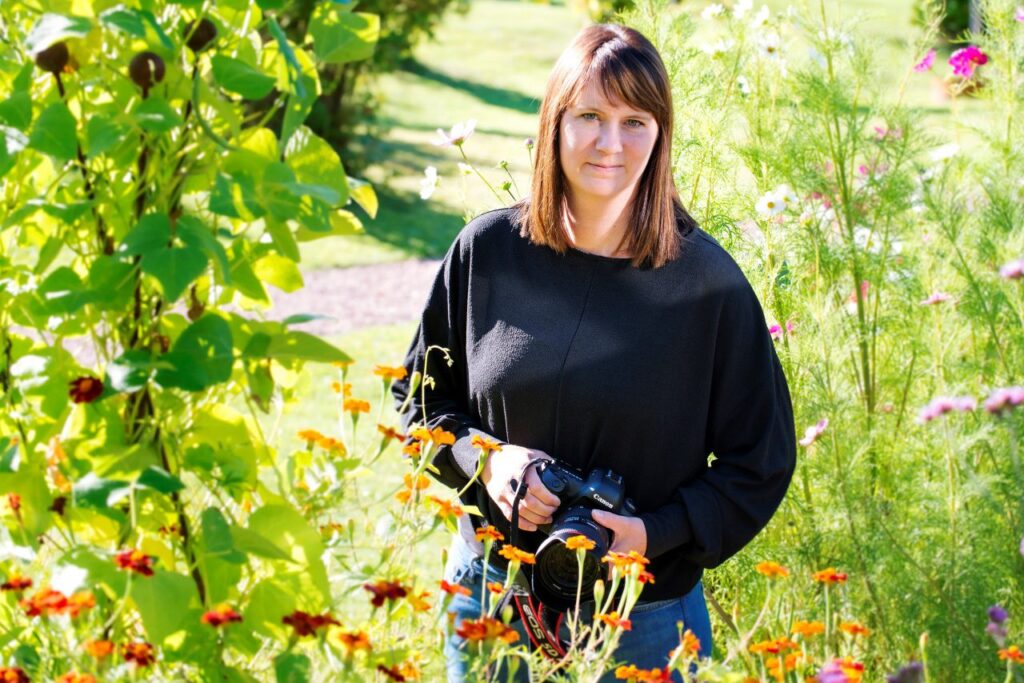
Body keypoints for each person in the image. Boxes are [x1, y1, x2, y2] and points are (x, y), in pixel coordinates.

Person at [392, 23, 797, 683]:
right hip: (492, 596)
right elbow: (416, 400)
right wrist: (487, 462)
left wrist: (653, 533)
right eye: (590, 116)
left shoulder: (706, 287)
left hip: (645, 617)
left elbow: (762, 460)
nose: (611, 143)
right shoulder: (486, 253)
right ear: (554, 123)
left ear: (661, 135)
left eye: (635, 120)